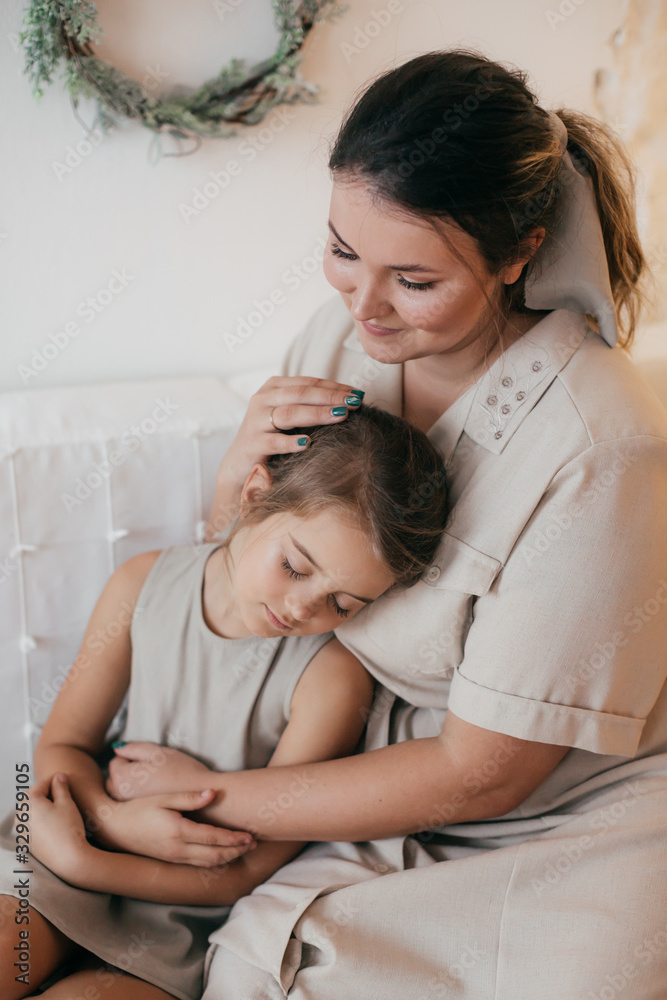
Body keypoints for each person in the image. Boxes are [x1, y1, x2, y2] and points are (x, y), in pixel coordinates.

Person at [110, 50, 667, 999]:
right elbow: (250, 572)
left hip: (557, 822)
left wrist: (203, 799)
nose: (361, 305)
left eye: (412, 279)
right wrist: (237, 478)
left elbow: (486, 773)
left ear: (517, 253)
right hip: (343, 774)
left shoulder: (602, 448)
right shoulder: (340, 343)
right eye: (341, 251)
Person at [0, 404, 449, 1000]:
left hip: (173, 918)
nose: (302, 609)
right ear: (255, 495)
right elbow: (60, 747)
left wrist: (93, 863)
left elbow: (247, 872)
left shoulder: (331, 679)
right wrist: (105, 825)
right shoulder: (142, 585)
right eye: (294, 566)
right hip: (56, 849)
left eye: (343, 604)